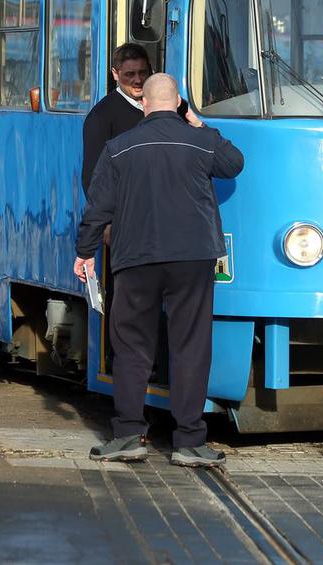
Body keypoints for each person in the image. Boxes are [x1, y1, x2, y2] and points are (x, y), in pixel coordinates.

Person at [74, 73, 243, 466]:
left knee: (132, 345)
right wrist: (198, 123)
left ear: (144, 104)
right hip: (191, 259)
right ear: (179, 102)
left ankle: (129, 434)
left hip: (136, 259)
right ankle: (188, 442)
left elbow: (98, 208)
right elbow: (234, 163)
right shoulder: (201, 142)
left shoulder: (118, 148)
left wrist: (85, 253)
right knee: (190, 346)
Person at [80, 44, 152, 194]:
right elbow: (93, 181)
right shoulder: (101, 117)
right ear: (115, 74)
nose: (138, 80)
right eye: (130, 74)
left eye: (142, 72)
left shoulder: (161, 106)